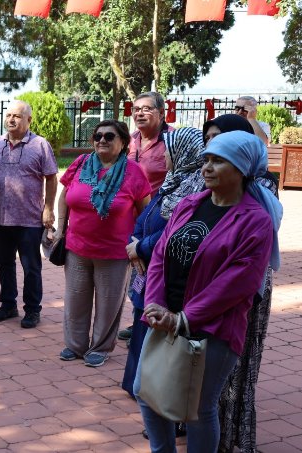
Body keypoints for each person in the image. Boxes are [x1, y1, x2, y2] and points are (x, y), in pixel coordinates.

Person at [136, 131, 281, 453]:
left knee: (198, 409)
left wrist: (183, 319)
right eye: (206, 160)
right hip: (164, 317)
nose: (207, 167)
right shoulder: (190, 204)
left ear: (242, 169)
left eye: (218, 161)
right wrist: (154, 304)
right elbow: (161, 254)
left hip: (213, 329)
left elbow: (237, 282)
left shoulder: (254, 220)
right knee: (146, 392)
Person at [197, 115, 279, 453]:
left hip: (246, 289)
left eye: (223, 145)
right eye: (209, 143)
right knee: (205, 374)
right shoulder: (202, 187)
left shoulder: (261, 191)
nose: (211, 158)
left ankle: (235, 438)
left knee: (238, 370)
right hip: (205, 288)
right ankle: (205, 428)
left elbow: (250, 255)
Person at [57, 120, 151, 367]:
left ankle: (100, 346)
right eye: (97, 136)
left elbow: (145, 212)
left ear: (122, 143)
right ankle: (75, 345)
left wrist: (138, 245)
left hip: (114, 252)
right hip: (77, 247)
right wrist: (59, 230)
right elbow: (65, 196)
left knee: (109, 302)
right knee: (76, 298)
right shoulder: (80, 164)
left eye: (109, 137)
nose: (102, 140)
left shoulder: (134, 172)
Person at [121, 127, 204, 398]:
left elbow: (175, 231)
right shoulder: (173, 180)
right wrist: (135, 242)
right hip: (144, 261)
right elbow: (146, 216)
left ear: (183, 153)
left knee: (152, 324)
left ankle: (148, 388)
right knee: (140, 319)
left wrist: (141, 247)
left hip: (162, 268)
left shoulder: (194, 187)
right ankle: (134, 383)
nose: (165, 154)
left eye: (169, 150)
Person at [0, 100, 58, 328]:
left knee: (31, 267)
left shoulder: (40, 145)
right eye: (8, 115)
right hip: (0, 218)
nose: (11, 120)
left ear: (28, 120)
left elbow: (51, 177)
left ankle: (32, 309)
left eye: (17, 116)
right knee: (3, 264)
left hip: (30, 219)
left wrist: (49, 209)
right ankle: (8, 305)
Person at [119, 92, 173, 342]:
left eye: (146, 109)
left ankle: (151, 320)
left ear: (162, 113)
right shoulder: (128, 142)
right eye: (135, 109)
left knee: (153, 270)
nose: (139, 113)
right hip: (130, 219)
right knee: (135, 271)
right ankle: (137, 318)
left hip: (158, 219)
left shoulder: (172, 141)